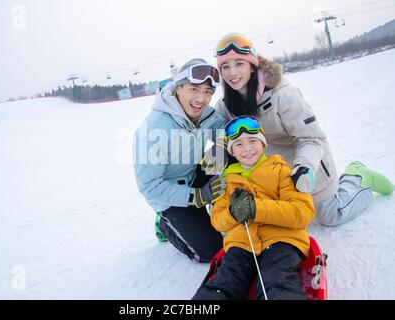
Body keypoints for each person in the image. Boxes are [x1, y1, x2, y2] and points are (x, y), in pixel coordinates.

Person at [202, 32, 393, 227]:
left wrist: (304, 167)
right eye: (225, 66)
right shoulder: (225, 106)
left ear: (252, 65)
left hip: (304, 166)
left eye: (239, 64)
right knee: (276, 224)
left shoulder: (282, 94)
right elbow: (215, 145)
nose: (232, 73)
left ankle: (358, 176)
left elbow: (313, 138)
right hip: (271, 177)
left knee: (331, 216)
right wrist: (212, 175)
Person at [192, 116, 315, 300]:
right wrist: (233, 213)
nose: (247, 148)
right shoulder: (227, 181)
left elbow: (302, 211)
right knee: (224, 282)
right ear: (231, 151)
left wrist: (257, 208)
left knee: (276, 280)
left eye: (252, 141)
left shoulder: (281, 171)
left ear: (264, 143)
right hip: (241, 243)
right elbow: (218, 221)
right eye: (239, 144)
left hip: (281, 240)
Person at [132, 58, 228, 262]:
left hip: (193, 175)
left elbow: (222, 129)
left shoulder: (203, 114)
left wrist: (219, 148)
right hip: (170, 195)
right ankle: (165, 225)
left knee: (231, 161)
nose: (201, 99)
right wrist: (198, 196)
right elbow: (150, 187)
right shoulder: (154, 130)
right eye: (194, 89)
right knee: (211, 252)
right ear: (179, 87)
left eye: (208, 92)